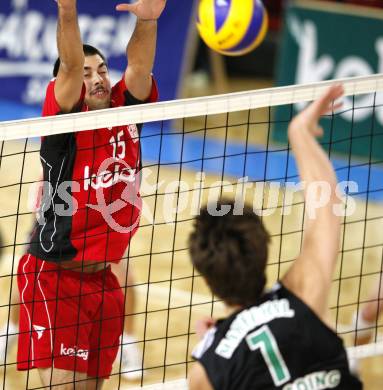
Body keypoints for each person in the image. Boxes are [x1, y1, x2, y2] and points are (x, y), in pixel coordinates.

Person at [16, 0, 166, 389]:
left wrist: (147, 21)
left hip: (104, 284)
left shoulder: (123, 108)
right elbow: (67, 66)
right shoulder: (62, 118)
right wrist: (68, 11)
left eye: (101, 69)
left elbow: (139, 68)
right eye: (86, 74)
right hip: (56, 278)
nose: (97, 78)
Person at [188, 85, 363, 389]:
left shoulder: (206, 370)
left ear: (207, 280)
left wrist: (213, 343)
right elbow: (326, 206)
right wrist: (300, 134)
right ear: (263, 247)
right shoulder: (304, 293)